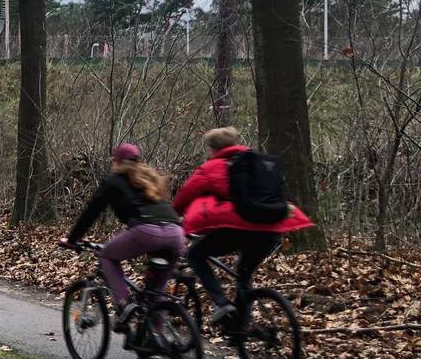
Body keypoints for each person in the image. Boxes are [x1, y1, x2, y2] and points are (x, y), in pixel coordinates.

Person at [173, 127, 314, 331]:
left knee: (195, 254)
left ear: (212, 149)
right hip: (272, 230)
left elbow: (184, 197)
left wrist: (173, 215)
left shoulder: (211, 168)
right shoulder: (259, 163)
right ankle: (240, 329)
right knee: (244, 274)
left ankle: (221, 304)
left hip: (241, 229)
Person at [61, 143, 185, 332]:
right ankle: (154, 340)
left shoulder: (114, 179)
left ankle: (124, 304)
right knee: (155, 293)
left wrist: (72, 239)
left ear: (116, 162)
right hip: (176, 233)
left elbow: (92, 211)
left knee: (107, 256)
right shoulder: (149, 178)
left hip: (147, 231)